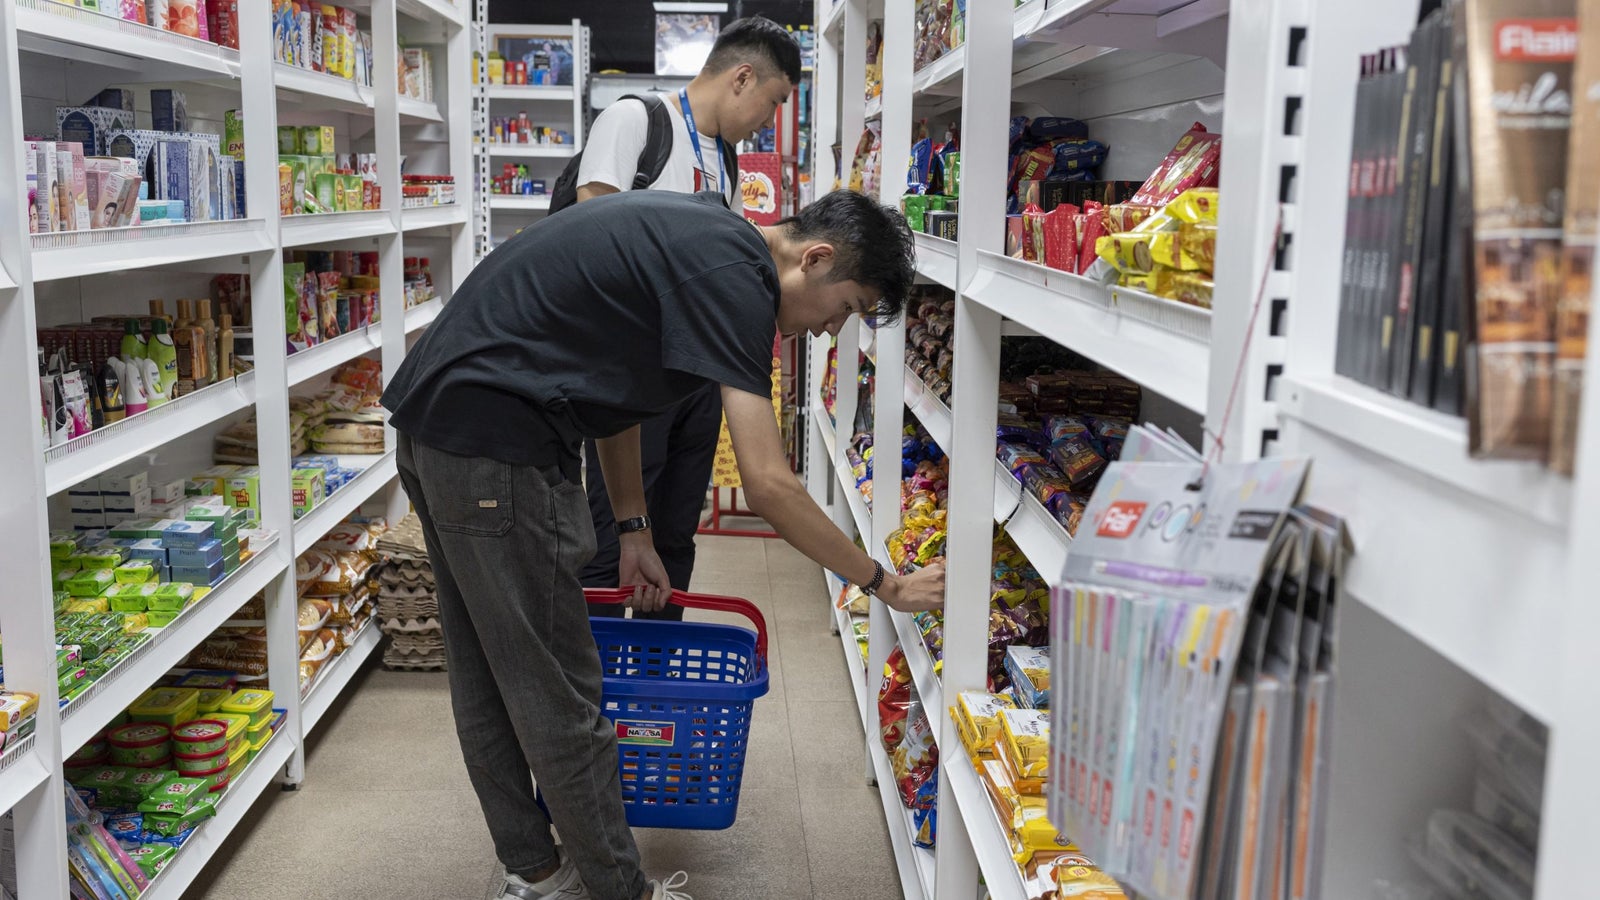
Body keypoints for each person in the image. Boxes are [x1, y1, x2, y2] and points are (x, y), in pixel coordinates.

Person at [383, 188, 945, 900]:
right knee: (561, 689)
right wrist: (883, 583)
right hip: (500, 448)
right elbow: (770, 485)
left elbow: (613, 389)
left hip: (442, 427)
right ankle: (623, 891)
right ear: (816, 258)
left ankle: (536, 873)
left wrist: (632, 525)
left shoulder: (709, 240)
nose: (832, 332)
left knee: (491, 672)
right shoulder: (740, 283)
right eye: (846, 308)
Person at [575, 16, 799, 623]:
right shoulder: (636, 122)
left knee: (674, 541)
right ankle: (597, 697)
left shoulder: (725, 162)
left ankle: (655, 695)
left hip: (691, 382)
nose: (769, 121)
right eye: (773, 102)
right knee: (611, 538)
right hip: (632, 375)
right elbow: (590, 243)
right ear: (743, 77)